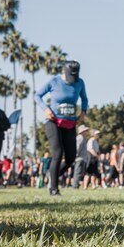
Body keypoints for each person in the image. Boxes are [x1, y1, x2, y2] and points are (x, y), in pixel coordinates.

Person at [34, 60, 88, 196]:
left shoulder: (80, 82)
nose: (73, 78)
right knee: (57, 153)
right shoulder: (54, 81)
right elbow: (37, 95)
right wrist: (45, 109)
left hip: (70, 124)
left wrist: (83, 112)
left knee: (70, 157)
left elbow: (85, 99)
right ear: (64, 71)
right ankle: (53, 189)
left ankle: (52, 175)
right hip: (53, 122)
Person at [73, 124, 89, 189]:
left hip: (82, 158)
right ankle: (75, 185)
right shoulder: (80, 138)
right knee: (77, 172)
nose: (87, 132)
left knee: (80, 172)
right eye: (86, 130)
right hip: (79, 158)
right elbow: (77, 147)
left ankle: (77, 185)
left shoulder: (83, 138)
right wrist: (76, 155)